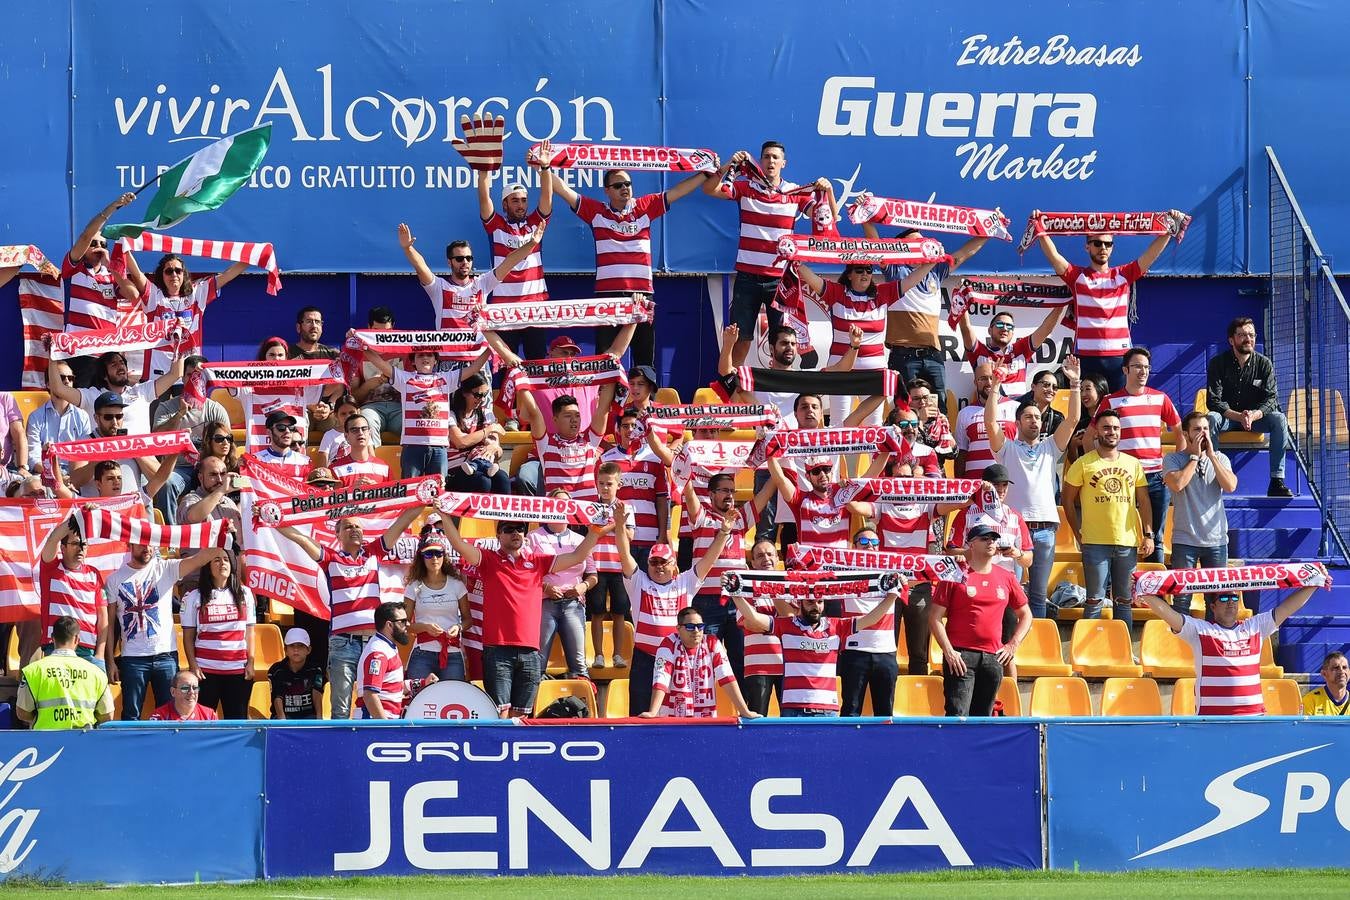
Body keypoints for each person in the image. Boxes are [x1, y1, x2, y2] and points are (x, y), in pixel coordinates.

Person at [441, 515, 606, 718]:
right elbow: (458, 544)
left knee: (521, 716)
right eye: (509, 529)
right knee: (500, 714)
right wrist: (444, 516)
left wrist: (595, 531)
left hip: (531, 652)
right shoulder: (489, 559)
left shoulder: (538, 561)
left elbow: (578, 556)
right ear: (498, 535)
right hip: (498, 650)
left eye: (519, 529)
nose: (515, 533)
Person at [549, 164, 713, 367]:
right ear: (607, 191)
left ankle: (643, 389)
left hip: (642, 295)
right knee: (605, 362)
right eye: (618, 185)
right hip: (608, 296)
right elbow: (563, 189)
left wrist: (705, 173)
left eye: (627, 184)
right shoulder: (596, 211)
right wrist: (544, 167)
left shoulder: (645, 206)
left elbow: (678, 191)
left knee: (644, 362)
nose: (625, 188)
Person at [276, 505, 426, 719]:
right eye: (348, 527)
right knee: (341, 710)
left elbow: (402, 522)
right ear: (337, 534)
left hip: (374, 643)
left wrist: (423, 499)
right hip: (343, 643)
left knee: (379, 700)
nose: (354, 530)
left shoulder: (373, 552)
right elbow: (300, 538)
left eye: (357, 527)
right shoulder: (330, 558)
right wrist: (269, 516)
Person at [705, 141, 833, 367]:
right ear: (760, 161)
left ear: (784, 163)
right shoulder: (746, 188)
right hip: (747, 278)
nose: (771, 161)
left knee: (783, 344)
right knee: (740, 341)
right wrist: (729, 165)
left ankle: (781, 387)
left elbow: (828, 218)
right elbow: (709, 189)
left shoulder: (795, 192)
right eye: (766, 157)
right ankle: (733, 385)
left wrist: (828, 191)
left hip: (781, 280)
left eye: (775, 157)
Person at [1032, 210, 1184, 392]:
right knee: (1086, 406)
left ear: (1112, 248)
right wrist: (1039, 226)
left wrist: (1168, 229)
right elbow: (1054, 256)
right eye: (1097, 243)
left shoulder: (1124, 274)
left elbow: (1150, 255)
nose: (1102, 248)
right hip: (1085, 356)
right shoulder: (1077, 276)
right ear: (1087, 247)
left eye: (1108, 244)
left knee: (1119, 405)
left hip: (1119, 356)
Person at [616, 500, 734, 718]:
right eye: (654, 562)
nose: (659, 566)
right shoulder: (638, 582)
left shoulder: (685, 582)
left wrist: (724, 532)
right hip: (645, 659)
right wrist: (620, 526)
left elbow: (709, 559)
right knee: (641, 716)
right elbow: (624, 553)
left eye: (664, 562)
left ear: (674, 565)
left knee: (676, 716)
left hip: (678, 658)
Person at [1140, 580, 1324, 716]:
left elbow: (1288, 608)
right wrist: (1144, 592)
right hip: (1212, 722)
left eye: (1234, 597)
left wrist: (1314, 584)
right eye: (1224, 597)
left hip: (1253, 719)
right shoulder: (1200, 630)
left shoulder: (1255, 626)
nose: (1231, 601)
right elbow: (1169, 615)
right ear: (1213, 606)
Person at [731, 575, 902, 717]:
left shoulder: (836, 626)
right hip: (793, 710)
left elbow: (871, 619)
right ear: (800, 602)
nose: (816, 607)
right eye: (810, 602)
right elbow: (753, 618)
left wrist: (893, 596)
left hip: (827, 710)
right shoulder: (786, 625)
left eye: (820, 602)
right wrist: (735, 593)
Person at [793, 260, 937, 425]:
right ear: (849, 275)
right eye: (859, 270)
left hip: (873, 370)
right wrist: (795, 260)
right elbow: (811, 277)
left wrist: (933, 261)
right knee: (839, 422)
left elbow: (912, 279)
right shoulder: (836, 292)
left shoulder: (883, 293)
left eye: (869, 270)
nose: (865, 274)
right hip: (841, 368)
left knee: (873, 423)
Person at [989, 359, 1081, 617]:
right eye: (1028, 417)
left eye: (1038, 417)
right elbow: (990, 423)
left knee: (1039, 595)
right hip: (1014, 529)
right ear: (1017, 423)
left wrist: (1075, 383)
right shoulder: (1006, 448)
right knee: (1013, 592)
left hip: (1045, 531)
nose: (1034, 421)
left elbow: (1073, 419)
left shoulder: (1050, 446)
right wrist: (995, 386)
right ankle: (1012, 639)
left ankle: (1036, 636)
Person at [864, 224, 988, 414]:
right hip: (903, 355)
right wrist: (865, 219)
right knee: (906, 410)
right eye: (916, 242)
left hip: (932, 355)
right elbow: (876, 245)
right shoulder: (895, 269)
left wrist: (988, 231)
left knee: (939, 410)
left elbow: (963, 254)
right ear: (902, 247)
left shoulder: (936, 270)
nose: (922, 245)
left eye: (923, 241)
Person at [105, 542, 224, 719]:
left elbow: (201, 558)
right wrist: (110, 661)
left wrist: (223, 536)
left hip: (166, 655)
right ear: (130, 544)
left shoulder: (166, 568)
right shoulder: (114, 579)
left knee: (171, 715)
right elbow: (109, 624)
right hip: (132, 658)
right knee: (131, 715)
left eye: (150, 544)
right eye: (142, 544)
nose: (147, 548)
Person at [679, 471, 778, 680]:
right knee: (705, 661)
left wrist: (776, 460)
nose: (730, 495)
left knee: (739, 662)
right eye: (724, 490)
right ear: (711, 494)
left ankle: (741, 702)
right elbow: (688, 491)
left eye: (732, 491)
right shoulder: (701, 517)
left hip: (737, 602)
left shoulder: (740, 518)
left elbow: (768, 490)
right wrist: (684, 465)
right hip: (707, 601)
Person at [1062, 408, 1153, 628]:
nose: (1111, 432)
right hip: (1095, 543)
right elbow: (1067, 500)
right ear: (1096, 432)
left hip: (1127, 542)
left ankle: (1123, 647)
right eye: (1106, 428)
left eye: (1115, 428)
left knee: (1124, 601)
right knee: (1094, 600)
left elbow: (1144, 501)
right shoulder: (1083, 463)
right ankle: (1089, 647)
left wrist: (1148, 534)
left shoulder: (1133, 464)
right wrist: (1077, 533)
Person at [930, 524, 1033, 717]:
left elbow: (1026, 614)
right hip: (961, 655)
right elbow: (934, 617)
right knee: (958, 715)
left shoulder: (1006, 577)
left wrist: (1013, 644)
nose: (991, 542)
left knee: (984, 717)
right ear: (971, 544)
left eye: (993, 539)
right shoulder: (955, 575)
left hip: (993, 656)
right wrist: (949, 651)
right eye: (984, 539)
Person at [1094, 346, 1184, 563]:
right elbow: (1090, 437)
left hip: (1156, 477)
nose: (1143, 371)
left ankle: (1155, 584)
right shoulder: (1110, 401)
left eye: (1146, 367)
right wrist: (1102, 465)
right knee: (1121, 535)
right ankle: (1124, 583)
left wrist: (1174, 467)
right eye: (1137, 367)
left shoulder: (1161, 398)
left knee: (1156, 537)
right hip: (1123, 477)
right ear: (1125, 370)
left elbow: (1180, 432)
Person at [114, 252, 248, 379]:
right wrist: (126, 249)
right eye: (169, 271)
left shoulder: (197, 294)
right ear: (162, 275)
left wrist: (252, 257)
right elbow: (137, 274)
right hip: (157, 374)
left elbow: (228, 275)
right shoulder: (154, 296)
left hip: (189, 371)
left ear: (184, 274)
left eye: (178, 271)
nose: (174, 274)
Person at [362, 346, 488, 479]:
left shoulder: (447, 378)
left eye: (429, 355)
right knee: (411, 487)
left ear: (436, 360)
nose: (425, 358)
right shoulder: (404, 378)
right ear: (413, 361)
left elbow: (474, 368)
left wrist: (490, 347)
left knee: (438, 488)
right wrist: (362, 346)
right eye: (420, 355)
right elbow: (380, 363)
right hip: (412, 446)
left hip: (439, 446)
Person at [398, 220, 546, 331]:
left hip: (478, 357)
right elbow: (421, 267)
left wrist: (532, 243)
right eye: (459, 259)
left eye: (468, 258)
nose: (465, 262)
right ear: (449, 262)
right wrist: (407, 248)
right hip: (448, 359)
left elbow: (509, 262)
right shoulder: (439, 287)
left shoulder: (483, 283)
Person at [479, 147, 553, 362]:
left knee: (536, 363)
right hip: (504, 308)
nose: (520, 205)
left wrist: (545, 168)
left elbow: (547, 197)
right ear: (505, 204)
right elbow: (484, 199)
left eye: (523, 200)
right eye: (515, 200)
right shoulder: (496, 226)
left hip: (535, 306)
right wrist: (484, 171)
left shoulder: (536, 223)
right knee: (505, 366)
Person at [1206, 316, 1293, 497]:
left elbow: (1271, 398)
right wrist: (1238, 416)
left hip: (1255, 420)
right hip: (1228, 419)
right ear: (1231, 340)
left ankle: (1277, 481)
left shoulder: (1264, 364)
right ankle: (1211, 477)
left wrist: (1254, 415)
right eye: (1242, 335)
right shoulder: (1217, 363)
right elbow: (1213, 401)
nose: (1248, 339)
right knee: (1211, 418)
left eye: (1251, 335)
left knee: (1279, 419)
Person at [1163, 411, 1237, 615]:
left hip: (1216, 541)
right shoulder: (1173, 459)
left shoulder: (1220, 458)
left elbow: (1230, 486)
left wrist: (1211, 456)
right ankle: (1180, 638)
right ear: (1186, 434)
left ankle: (1211, 636)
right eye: (1197, 429)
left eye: (1205, 428)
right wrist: (1194, 457)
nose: (1203, 433)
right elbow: (1177, 484)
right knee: (1181, 601)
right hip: (1185, 540)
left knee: (1216, 601)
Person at [152, 355, 232, 524]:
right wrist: (180, 414)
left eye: (199, 376)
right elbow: (156, 438)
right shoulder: (166, 407)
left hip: (209, 467)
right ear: (182, 377)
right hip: (180, 468)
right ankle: (172, 534)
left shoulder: (216, 410)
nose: (195, 380)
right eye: (190, 375)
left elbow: (227, 442)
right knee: (167, 483)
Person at [640, 607, 758, 718]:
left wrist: (744, 711)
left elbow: (727, 678)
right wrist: (653, 712)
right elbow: (661, 679)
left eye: (700, 626)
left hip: (705, 719)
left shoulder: (712, 643)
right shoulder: (668, 644)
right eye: (690, 626)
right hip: (672, 719)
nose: (696, 631)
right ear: (678, 628)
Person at [514, 378, 620, 500]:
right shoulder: (546, 443)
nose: (574, 420)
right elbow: (534, 413)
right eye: (568, 416)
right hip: (559, 509)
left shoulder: (590, 440)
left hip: (588, 510)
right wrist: (520, 381)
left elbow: (603, 409)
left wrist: (612, 374)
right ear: (555, 420)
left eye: (577, 415)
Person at [528, 491, 596, 680]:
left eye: (566, 503)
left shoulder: (580, 539)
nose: (561, 507)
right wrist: (545, 587)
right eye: (556, 503)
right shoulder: (533, 537)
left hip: (573, 604)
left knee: (579, 665)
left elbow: (593, 574)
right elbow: (525, 572)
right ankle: (535, 698)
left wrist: (583, 587)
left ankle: (583, 697)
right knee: (538, 663)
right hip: (544, 603)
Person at [180, 549, 255, 719]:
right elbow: (188, 637)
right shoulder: (193, 596)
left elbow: (250, 632)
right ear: (208, 566)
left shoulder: (245, 594)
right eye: (216, 560)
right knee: (204, 723)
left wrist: (250, 662)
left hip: (238, 670)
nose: (222, 563)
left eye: (226, 559)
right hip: (205, 671)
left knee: (237, 723)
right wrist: (193, 665)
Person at [49, 345, 184, 438]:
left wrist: (180, 343)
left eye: (122, 363)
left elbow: (175, 374)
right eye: (114, 364)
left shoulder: (142, 391)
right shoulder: (92, 396)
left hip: (141, 463)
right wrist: (52, 354)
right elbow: (58, 388)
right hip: (105, 465)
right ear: (104, 375)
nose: (120, 367)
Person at [69, 392, 178, 501]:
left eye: (119, 416)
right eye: (108, 417)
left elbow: (160, 478)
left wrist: (133, 450)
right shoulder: (83, 443)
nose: (114, 422)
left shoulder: (134, 441)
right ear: (96, 418)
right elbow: (75, 481)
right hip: (96, 508)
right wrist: (103, 455)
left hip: (131, 507)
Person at [15, 615, 114, 729]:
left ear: (52, 638)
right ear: (77, 639)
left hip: (45, 738)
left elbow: (22, 712)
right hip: (83, 737)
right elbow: (108, 715)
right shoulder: (97, 673)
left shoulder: (32, 671)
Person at [38, 518, 107, 665]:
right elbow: (53, 539)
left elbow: (103, 617)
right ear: (63, 548)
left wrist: (100, 654)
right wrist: (78, 517)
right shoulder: (51, 569)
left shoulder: (94, 574)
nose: (80, 548)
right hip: (56, 648)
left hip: (88, 651)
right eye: (75, 543)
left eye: (84, 544)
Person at [958, 305, 1066, 399]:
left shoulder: (1021, 348)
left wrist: (1061, 304)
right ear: (990, 330)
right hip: (992, 406)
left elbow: (1046, 328)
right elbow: (965, 327)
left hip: (1018, 408)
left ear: (1013, 332)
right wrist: (962, 300)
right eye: (1000, 324)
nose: (1005, 329)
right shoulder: (979, 351)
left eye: (1009, 326)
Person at [585, 467, 633, 670]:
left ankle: (618, 655)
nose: (605, 488)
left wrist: (616, 523)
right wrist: (616, 523)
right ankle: (598, 655)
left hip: (618, 567)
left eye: (609, 484)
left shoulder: (627, 507)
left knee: (619, 612)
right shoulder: (592, 507)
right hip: (596, 567)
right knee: (596, 611)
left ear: (618, 485)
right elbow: (593, 532)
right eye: (601, 483)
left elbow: (630, 536)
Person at [736, 539, 787, 715]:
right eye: (759, 556)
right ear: (753, 563)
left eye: (770, 554)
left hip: (788, 665)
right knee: (757, 719)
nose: (766, 558)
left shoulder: (791, 587)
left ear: (778, 558)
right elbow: (750, 623)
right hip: (757, 667)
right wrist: (780, 624)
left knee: (790, 720)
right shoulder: (746, 589)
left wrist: (773, 588)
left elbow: (790, 618)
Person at [358, 601, 427, 719]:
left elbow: (392, 687)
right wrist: (385, 726)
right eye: (403, 621)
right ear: (389, 625)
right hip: (374, 724)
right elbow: (370, 695)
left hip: (384, 721)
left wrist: (423, 683)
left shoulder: (387, 647)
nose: (408, 624)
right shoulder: (378, 653)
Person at [445, 374, 509, 494]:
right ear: (464, 393)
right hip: (457, 469)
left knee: (502, 479)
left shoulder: (486, 413)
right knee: (483, 481)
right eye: (478, 395)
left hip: (483, 465)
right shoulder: (450, 414)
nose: (482, 399)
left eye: (485, 395)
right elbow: (461, 442)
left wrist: (494, 448)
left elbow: (498, 451)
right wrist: (489, 429)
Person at [27, 361, 92, 479]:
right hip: (45, 475)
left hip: (74, 476)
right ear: (48, 384)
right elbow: (33, 458)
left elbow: (84, 455)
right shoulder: (35, 417)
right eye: (61, 378)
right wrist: (55, 475)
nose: (67, 381)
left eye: (70, 378)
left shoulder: (83, 416)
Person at [955, 362, 1018, 480]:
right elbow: (961, 453)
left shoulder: (1015, 408)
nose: (989, 382)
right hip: (974, 482)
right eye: (983, 379)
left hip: (1006, 483)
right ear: (975, 382)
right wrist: (959, 483)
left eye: (992, 377)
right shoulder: (965, 413)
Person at [269, 627, 326, 720]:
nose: (296, 649)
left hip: (309, 717)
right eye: (292, 645)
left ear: (309, 650)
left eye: (301, 646)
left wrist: (319, 720)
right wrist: (282, 722)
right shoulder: (276, 670)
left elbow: (317, 693)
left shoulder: (315, 669)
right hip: (283, 717)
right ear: (285, 650)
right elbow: (277, 696)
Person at [179, 454, 243, 533]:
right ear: (200, 477)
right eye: (213, 474)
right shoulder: (191, 499)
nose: (219, 480)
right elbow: (192, 518)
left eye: (223, 474)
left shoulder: (229, 502)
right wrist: (221, 490)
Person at [328, 412, 391, 488]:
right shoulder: (335, 469)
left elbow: (393, 494)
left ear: (369, 433)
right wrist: (351, 489)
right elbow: (329, 495)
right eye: (354, 430)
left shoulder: (384, 467)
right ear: (346, 436)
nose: (360, 433)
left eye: (364, 429)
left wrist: (377, 489)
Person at [256, 409, 312, 480]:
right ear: (269, 432)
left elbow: (310, 486)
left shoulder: (305, 462)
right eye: (281, 427)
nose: (287, 431)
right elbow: (246, 484)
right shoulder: (256, 460)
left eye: (291, 427)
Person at [149, 669, 217, 721]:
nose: (191, 692)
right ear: (173, 692)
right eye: (185, 688)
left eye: (195, 688)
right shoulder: (159, 716)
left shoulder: (209, 715)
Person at [1016, 369, 1065, 438]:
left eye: (1054, 387)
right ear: (1033, 387)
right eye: (1046, 385)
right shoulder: (1018, 411)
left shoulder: (1057, 418)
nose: (1051, 390)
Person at [1302, 652, 1350, 716]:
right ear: (1324, 674)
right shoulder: (1311, 700)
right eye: (1336, 668)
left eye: (1344, 667)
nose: (1341, 671)